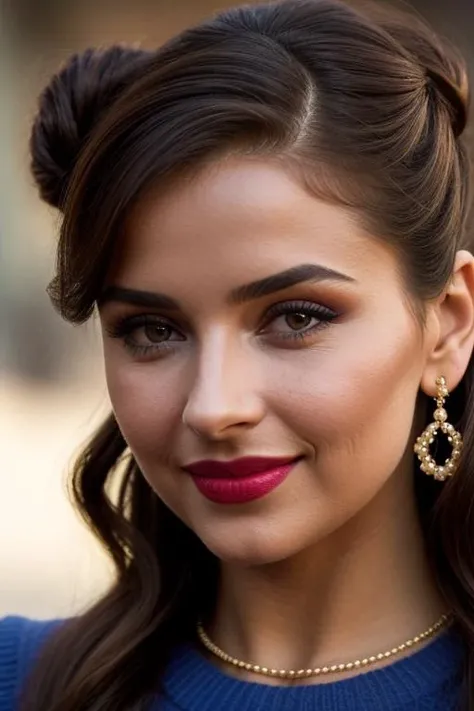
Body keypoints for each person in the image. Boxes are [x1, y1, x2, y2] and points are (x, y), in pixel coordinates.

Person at [1, 0, 473, 708]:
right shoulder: (26, 682)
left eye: (296, 317)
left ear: (446, 326)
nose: (214, 406)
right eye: (153, 330)